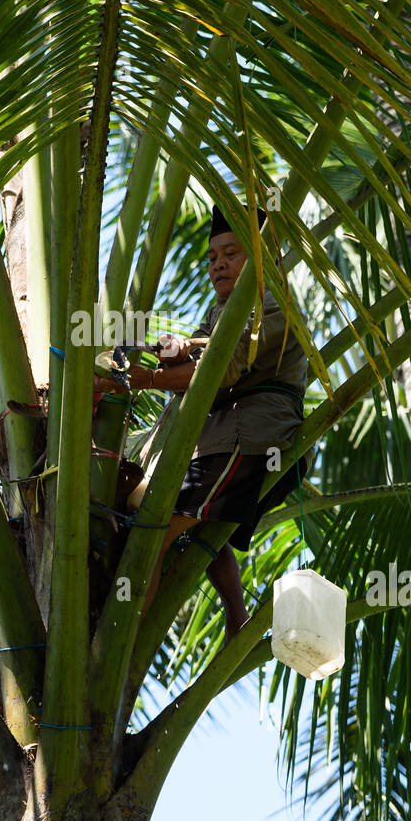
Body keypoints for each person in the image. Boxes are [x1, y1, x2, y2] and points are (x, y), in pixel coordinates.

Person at [125, 204, 312, 640]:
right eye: (212, 258)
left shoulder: (269, 300)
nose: (219, 264)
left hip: (251, 439)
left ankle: (122, 639)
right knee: (202, 531)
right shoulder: (222, 310)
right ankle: (237, 616)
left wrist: (145, 379)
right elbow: (208, 360)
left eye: (232, 253)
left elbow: (222, 369)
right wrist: (181, 349)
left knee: (152, 533)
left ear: (261, 260)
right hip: (228, 438)